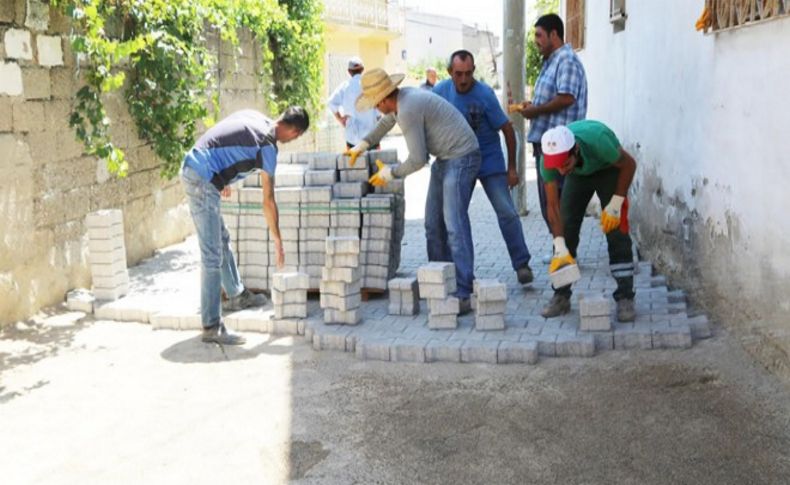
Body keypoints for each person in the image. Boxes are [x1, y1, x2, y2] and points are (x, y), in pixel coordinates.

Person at [346, 68, 480, 312]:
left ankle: (464, 291)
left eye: (376, 105)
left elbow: (418, 160)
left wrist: (391, 173)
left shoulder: (407, 108)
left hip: (462, 157)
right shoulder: (401, 100)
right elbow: (387, 121)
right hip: (446, 158)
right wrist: (363, 144)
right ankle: (439, 283)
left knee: (454, 225)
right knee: (432, 225)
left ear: (385, 99)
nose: (376, 110)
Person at [180, 107, 309, 345]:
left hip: (202, 168)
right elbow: (268, 200)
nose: (293, 140)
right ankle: (211, 326)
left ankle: (237, 295)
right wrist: (278, 240)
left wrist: (220, 175)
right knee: (212, 254)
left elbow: (222, 134)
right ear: (294, 132)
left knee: (222, 239)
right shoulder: (268, 146)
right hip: (201, 177)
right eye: (296, 137)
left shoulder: (256, 116)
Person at [433, 49, 533, 285]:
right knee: (455, 219)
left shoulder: (485, 94)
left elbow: (508, 130)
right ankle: (461, 274)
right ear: (449, 72)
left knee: (507, 212)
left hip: (488, 161)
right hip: (458, 162)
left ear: (474, 71)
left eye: (468, 73)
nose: (464, 79)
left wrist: (512, 169)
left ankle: (522, 264)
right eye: (459, 74)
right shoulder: (440, 92)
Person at [539, 120, 637, 322]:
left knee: (616, 229)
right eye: (556, 167)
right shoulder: (550, 160)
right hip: (579, 174)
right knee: (566, 233)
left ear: (575, 149)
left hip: (608, 168)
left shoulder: (599, 142)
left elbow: (629, 164)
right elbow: (553, 207)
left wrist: (616, 203)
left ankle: (625, 297)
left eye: (564, 164)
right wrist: (559, 245)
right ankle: (561, 296)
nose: (561, 172)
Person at [517, 13, 587, 260]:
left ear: (554, 34)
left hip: (560, 147)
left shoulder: (565, 60)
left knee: (558, 205)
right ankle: (561, 249)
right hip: (546, 144)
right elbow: (553, 97)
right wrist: (532, 105)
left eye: (539, 35)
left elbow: (566, 97)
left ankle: (566, 253)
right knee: (551, 205)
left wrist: (535, 110)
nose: (535, 40)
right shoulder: (551, 61)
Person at [327, 57, 380, 150]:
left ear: (349, 71)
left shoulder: (344, 87)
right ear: (362, 69)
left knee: (353, 163)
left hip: (352, 137)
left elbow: (331, 102)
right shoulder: (370, 85)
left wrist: (340, 119)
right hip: (371, 135)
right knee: (374, 163)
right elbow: (379, 112)